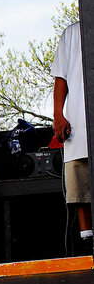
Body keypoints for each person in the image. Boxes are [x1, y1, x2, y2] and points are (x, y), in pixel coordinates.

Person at [51, 21, 93, 255]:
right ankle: (88, 241)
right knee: (80, 190)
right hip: (78, 125)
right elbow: (61, 77)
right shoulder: (72, 32)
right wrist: (58, 115)